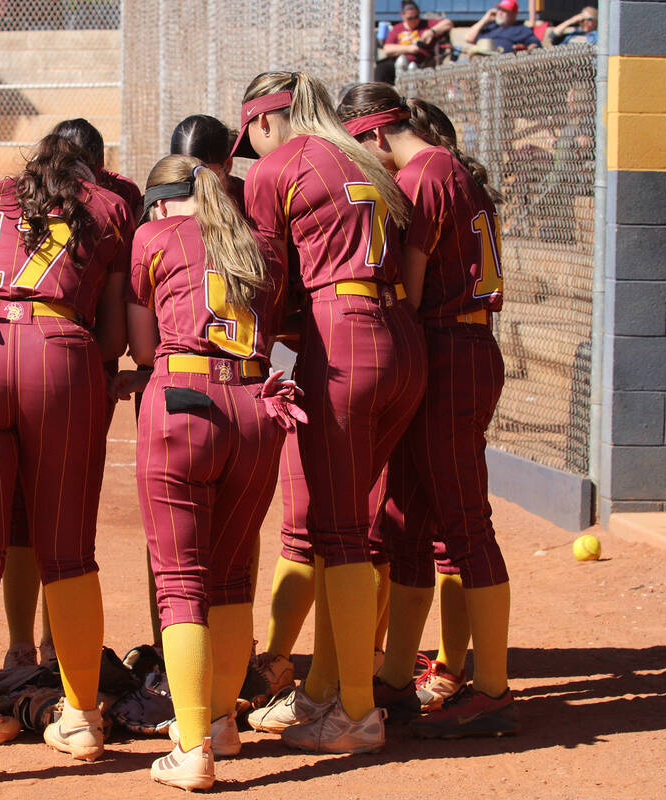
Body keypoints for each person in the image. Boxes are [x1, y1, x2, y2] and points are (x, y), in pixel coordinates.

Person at [0, 130, 133, 783]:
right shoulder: (105, 203)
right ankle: (81, 717)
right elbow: (115, 335)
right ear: (86, 169)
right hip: (59, 350)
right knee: (68, 552)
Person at [233, 70, 426, 754]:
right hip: (404, 337)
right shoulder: (365, 155)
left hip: (342, 335)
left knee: (336, 530)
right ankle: (323, 693)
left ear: (261, 123)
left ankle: (355, 710)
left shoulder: (277, 165)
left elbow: (263, 278)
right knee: (355, 529)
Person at [342, 84, 515, 738]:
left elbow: (409, 293)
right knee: (408, 520)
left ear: (378, 135)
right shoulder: (447, 167)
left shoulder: (422, 174)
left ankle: (493, 692)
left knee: (464, 527)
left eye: (360, 149)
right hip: (456, 346)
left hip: (449, 349)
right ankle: (394, 678)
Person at [117, 154, 288, 790]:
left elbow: (140, 346)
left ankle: (193, 748)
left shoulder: (155, 235)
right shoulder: (260, 242)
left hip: (183, 401)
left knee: (180, 583)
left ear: (161, 201)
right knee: (233, 575)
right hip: (255, 404)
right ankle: (220, 722)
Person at [170, 114, 246, 216]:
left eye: (201, 173)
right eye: (183, 179)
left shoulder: (248, 202)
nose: (193, 188)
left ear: (227, 165)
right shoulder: (162, 201)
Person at [375, 2, 454, 84]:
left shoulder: (426, 24)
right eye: (410, 18)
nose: (414, 20)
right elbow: (387, 49)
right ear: (403, 15)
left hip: (421, 63)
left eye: (416, 17)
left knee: (412, 66)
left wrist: (431, 31)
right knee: (382, 69)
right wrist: (409, 49)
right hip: (399, 62)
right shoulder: (397, 28)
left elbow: (448, 23)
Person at [466, 0, 542, 52]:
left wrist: (525, 50)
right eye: (499, 9)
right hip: (479, 60)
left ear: (514, 14)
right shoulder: (490, 27)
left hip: (503, 63)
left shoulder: (521, 29)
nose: (500, 13)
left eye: (504, 11)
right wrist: (484, 19)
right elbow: (469, 38)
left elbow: (535, 45)